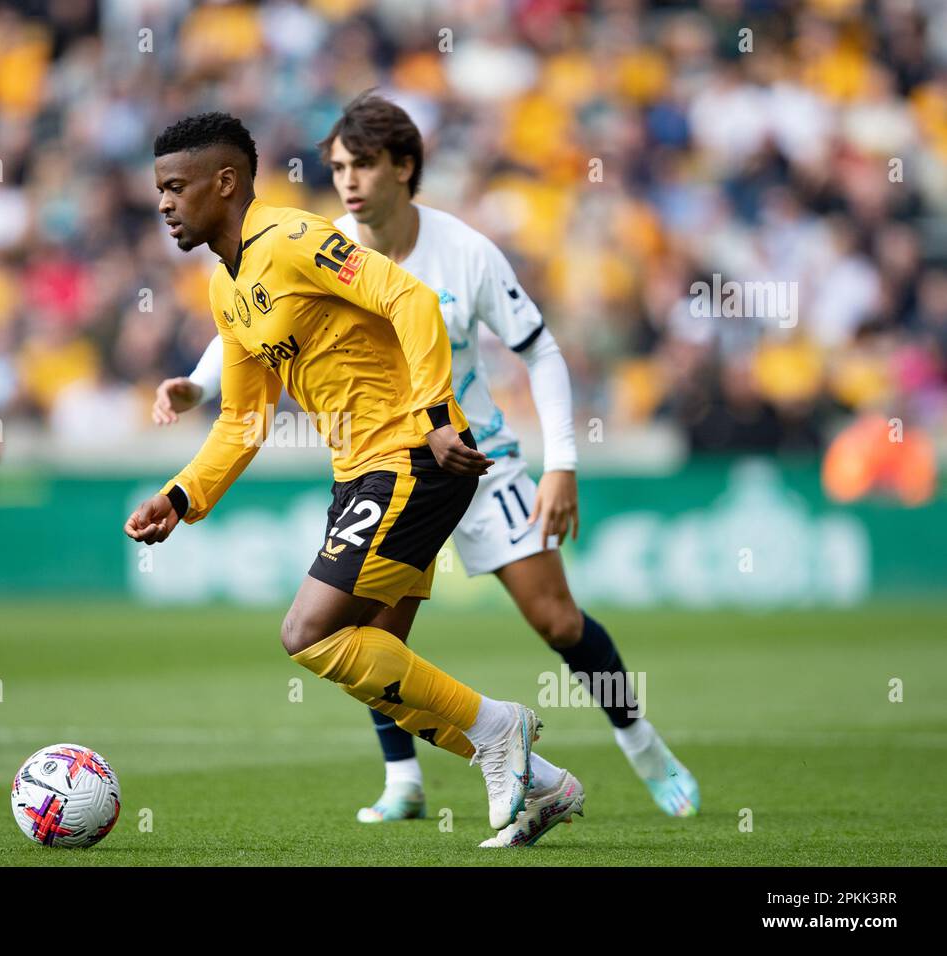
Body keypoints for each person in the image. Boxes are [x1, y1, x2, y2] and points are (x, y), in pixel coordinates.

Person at [152, 95, 699, 845]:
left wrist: (445, 420)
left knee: (315, 631)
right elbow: (244, 420)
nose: (162, 204)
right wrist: (182, 496)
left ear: (223, 182)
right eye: (158, 190)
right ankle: (537, 782)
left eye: (174, 188)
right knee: (371, 652)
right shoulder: (227, 284)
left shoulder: (300, 237)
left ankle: (551, 735)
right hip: (366, 468)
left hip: (424, 452)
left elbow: (410, 299)